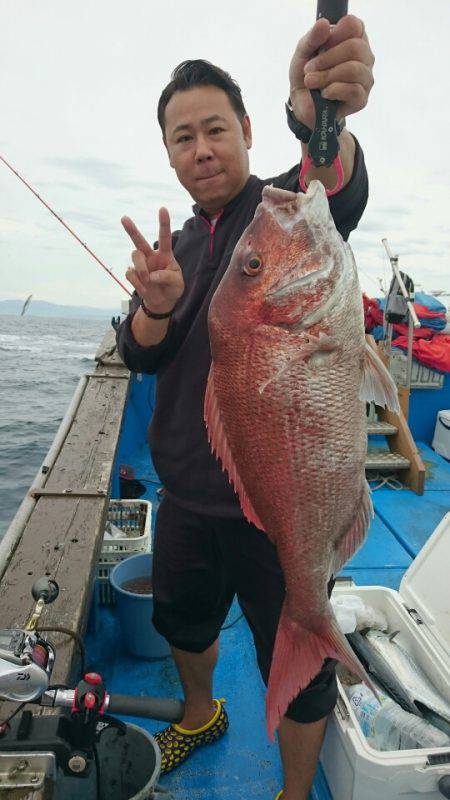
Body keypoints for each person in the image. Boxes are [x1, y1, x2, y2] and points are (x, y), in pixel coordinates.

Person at [116, 14, 374, 800]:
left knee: (296, 671)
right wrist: (155, 305)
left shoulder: (290, 211)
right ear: (168, 152)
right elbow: (140, 352)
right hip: (188, 498)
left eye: (215, 129)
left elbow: (334, 182)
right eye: (181, 137)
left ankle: (293, 793)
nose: (200, 149)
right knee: (184, 626)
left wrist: (319, 114)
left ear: (247, 129)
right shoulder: (177, 247)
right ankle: (202, 709)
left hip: (281, 507)